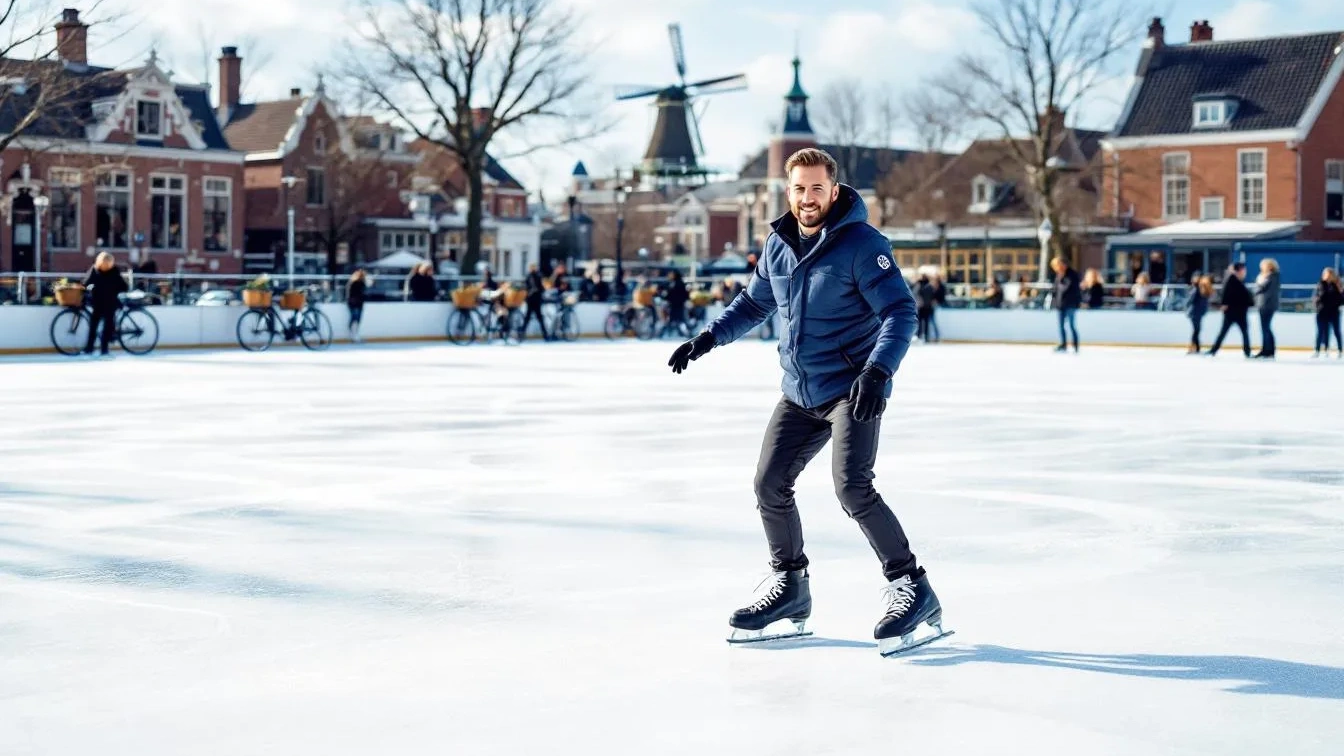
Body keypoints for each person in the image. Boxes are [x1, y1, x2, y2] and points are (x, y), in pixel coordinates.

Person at [666, 147, 941, 657]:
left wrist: (879, 372)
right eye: (799, 189)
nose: (808, 198)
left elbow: (901, 312)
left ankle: (912, 587)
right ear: (787, 191)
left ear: (833, 192)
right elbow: (754, 302)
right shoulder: (778, 243)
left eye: (817, 188)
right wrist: (707, 338)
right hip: (799, 391)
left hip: (852, 389)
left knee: (852, 487)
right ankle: (791, 588)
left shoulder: (862, 244)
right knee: (769, 484)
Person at [83, 251, 128, 357]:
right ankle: (103, 349)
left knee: (96, 326)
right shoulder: (113, 271)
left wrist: (92, 289)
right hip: (107, 302)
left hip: (102, 302)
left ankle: (91, 348)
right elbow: (123, 286)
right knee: (103, 326)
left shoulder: (96, 270)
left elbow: (86, 284)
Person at [1209, 263, 1253, 358]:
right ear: (1239, 270)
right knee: (1224, 331)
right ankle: (1213, 350)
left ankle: (1247, 352)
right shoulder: (1231, 278)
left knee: (1244, 332)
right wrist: (1224, 304)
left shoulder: (1239, 280)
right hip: (1232, 311)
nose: (1245, 272)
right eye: (1243, 270)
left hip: (1240, 311)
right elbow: (1226, 292)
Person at [1051, 256, 1081, 352]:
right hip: (1060, 304)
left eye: (1058, 265)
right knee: (1061, 326)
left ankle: (1075, 345)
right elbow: (1055, 289)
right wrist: (1054, 301)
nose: (1057, 267)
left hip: (1070, 304)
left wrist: (1060, 282)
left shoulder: (1072, 274)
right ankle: (1063, 344)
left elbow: (1068, 288)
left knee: (1071, 325)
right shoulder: (1059, 275)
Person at [1253, 258, 1280, 359]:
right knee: (1265, 328)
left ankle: (1268, 350)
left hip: (1267, 305)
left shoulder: (1273, 276)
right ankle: (1267, 349)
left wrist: (1258, 290)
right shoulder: (1265, 276)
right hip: (1262, 304)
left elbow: (1268, 291)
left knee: (1266, 328)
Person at [1313, 267, 1343, 358]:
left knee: (1336, 331)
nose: (1328, 277)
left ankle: (1340, 350)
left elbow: (1341, 300)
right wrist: (1317, 304)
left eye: (1330, 275)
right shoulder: (1321, 284)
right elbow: (1318, 297)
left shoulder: (1337, 285)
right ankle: (1318, 350)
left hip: (1334, 312)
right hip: (1322, 312)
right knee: (1321, 331)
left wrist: (1339, 291)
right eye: (1326, 274)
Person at [520, 262, 551, 341]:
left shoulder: (538, 276)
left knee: (539, 318)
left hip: (536, 300)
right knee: (528, 318)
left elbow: (541, 288)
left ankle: (545, 335)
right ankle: (522, 334)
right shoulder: (529, 277)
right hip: (531, 300)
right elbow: (526, 288)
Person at [1185, 275, 1213, 354]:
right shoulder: (1198, 290)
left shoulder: (1200, 290)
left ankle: (1196, 348)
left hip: (1196, 313)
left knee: (1197, 330)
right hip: (1195, 313)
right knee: (1196, 330)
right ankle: (1194, 347)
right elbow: (1191, 301)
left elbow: (1191, 301)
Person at [662, 269, 689, 338]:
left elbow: (671, 294)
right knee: (678, 320)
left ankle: (667, 333)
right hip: (677, 304)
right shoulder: (677, 282)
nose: (669, 276)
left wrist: (665, 297)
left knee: (675, 320)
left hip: (676, 304)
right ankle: (680, 333)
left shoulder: (676, 283)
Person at [347, 269, 367, 343]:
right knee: (354, 318)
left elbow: (363, 293)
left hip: (359, 303)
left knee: (357, 319)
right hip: (354, 303)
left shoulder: (362, 283)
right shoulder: (353, 283)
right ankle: (353, 335)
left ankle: (355, 335)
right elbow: (350, 294)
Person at [914, 274, 935, 342]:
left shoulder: (920, 286)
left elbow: (917, 294)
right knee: (925, 322)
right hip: (927, 306)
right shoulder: (930, 286)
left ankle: (919, 336)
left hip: (922, 306)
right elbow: (933, 296)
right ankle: (925, 337)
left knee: (920, 322)